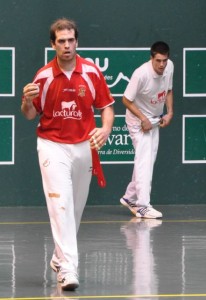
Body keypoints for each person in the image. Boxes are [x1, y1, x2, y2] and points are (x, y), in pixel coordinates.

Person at [21, 18, 114, 291]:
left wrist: (106, 129)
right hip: (52, 145)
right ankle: (69, 269)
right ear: (53, 45)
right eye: (61, 41)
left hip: (83, 146)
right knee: (60, 204)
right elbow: (29, 115)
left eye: (70, 40)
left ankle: (59, 257)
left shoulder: (91, 72)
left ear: (77, 42)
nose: (67, 45)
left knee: (74, 208)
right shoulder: (43, 76)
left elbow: (107, 107)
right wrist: (26, 101)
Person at [120, 41, 174, 219]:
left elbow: (169, 90)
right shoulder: (141, 74)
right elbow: (126, 100)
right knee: (144, 161)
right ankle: (143, 206)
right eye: (158, 60)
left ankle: (129, 197)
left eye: (164, 60)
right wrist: (143, 119)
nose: (161, 65)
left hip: (154, 120)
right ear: (151, 58)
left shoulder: (169, 67)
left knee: (147, 161)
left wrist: (170, 112)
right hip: (138, 121)